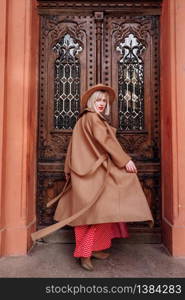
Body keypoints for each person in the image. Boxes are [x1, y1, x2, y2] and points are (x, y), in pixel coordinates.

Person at [31, 84, 153, 271]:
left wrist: (68, 170)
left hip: (88, 175)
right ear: (91, 102)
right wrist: (125, 160)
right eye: (98, 100)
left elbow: (73, 146)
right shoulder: (93, 119)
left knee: (98, 215)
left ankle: (94, 249)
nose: (102, 103)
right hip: (92, 176)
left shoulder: (84, 119)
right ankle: (84, 254)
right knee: (92, 217)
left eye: (104, 101)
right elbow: (105, 142)